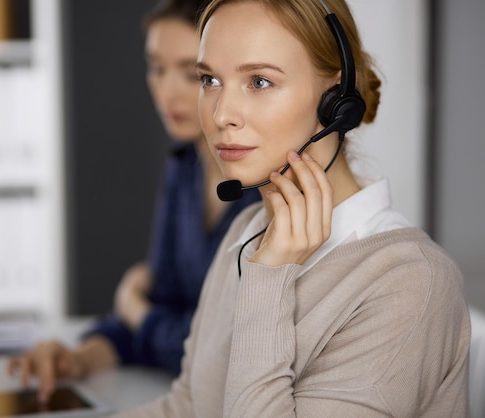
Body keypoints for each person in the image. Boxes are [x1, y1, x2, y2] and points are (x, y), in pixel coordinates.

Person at [114, 0, 471, 416]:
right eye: (209, 79)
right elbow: (189, 407)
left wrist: (270, 277)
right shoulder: (246, 230)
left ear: (336, 100)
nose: (220, 114)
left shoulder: (409, 282)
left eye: (260, 82)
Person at [7, 0, 261, 404]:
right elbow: (157, 313)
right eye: (156, 68)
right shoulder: (184, 165)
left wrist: (135, 309)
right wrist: (79, 359)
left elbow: (228, 350)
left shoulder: (266, 186)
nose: (167, 91)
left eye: (193, 74)